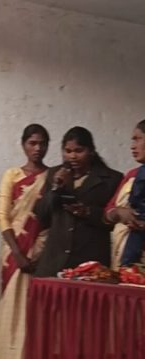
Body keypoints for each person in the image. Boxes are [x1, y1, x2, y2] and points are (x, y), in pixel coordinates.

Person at [0, 124, 50, 359]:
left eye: (42, 143)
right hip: (13, 256)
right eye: (32, 143)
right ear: (23, 145)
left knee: (32, 318)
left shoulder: (52, 177)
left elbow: (50, 220)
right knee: (9, 315)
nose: (37, 148)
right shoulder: (11, 175)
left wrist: (37, 254)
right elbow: (3, 217)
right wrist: (17, 253)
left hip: (39, 255)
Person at [33, 126, 123, 278]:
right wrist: (56, 188)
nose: (72, 156)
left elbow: (115, 221)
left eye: (79, 151)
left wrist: (88, 212)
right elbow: (42, 216)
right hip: (54, 262)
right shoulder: (54, 174)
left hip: (90, 263)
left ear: (91, 151)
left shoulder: (111, 179)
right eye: (68, 151)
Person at [103, 118, 145, 267]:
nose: (132, 146)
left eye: (138, 139)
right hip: (122, 253)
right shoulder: (132, 175)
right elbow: (107, 213)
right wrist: (119, 213)